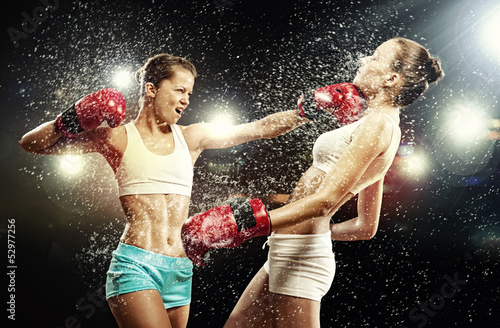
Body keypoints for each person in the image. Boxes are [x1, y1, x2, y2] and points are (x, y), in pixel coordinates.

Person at [18, 53, 365, 328]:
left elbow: (258, 129)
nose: (186, 100)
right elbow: (33, 144)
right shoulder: (118, 136)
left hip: (181, 270)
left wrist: (307, 109)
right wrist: (71, 118)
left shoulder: (192, 137)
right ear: (152, 89)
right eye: (179, 90)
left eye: (190, 94)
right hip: (136, 267)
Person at [181, 37, 445, 327]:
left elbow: (326, 201)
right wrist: (319, 233)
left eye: (374, 57)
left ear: (391, 78)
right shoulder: (381, 126)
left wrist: (250, 224)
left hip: (300, 259)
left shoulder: (378, 125)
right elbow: (365, 227)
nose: (363, 61)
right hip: (294, 249)